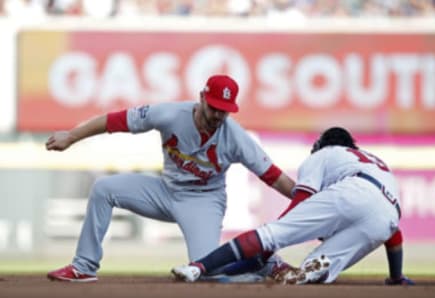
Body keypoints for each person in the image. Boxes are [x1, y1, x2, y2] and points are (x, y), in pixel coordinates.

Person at [45, 74, 295, 282]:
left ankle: (262, 264)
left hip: (203, 202)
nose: (218, 115)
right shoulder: (170, 114)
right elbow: (115, 121)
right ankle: (84, 266)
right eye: (214, 108)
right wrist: (72, 136)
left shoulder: (237, 138)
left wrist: (312, 201)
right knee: (104, 189)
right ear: (202, 98)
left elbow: (276, 178)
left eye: (225, 111)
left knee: (204, 273)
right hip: (165, 192)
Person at [171, 127, 414, 285]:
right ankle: (276, 267)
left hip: (355, 192)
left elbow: (301, 201)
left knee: (270, 235)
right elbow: (393, 233)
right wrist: (396, 277)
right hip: (389, 214)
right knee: (308, 275)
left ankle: (197, 268)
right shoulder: (372, 162)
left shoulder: (324, 154)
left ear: (323, 144)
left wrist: (273, 239)